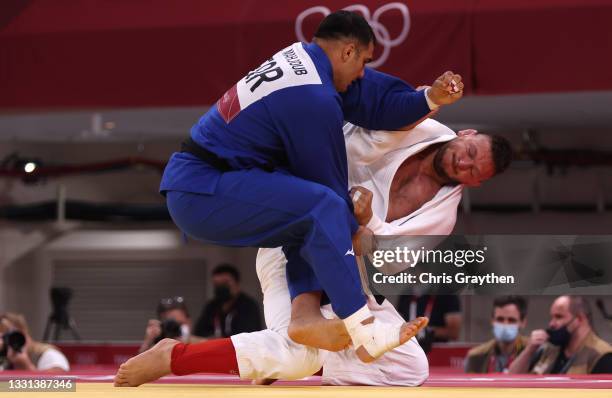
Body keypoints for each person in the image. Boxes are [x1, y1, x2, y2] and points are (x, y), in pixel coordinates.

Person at [158, 9, 464, 363]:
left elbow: (373, 98)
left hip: (213, 179)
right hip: (202, 190)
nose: (363, 73)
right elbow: (329, 196)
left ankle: (304, 317)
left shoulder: (307, 63)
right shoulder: (312, 98)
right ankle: (365, 332)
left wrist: (428, 99)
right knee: (325, 206)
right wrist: (357, 234)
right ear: (347, 52)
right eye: (364, 61)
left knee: (312, 212)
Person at [114, 118, 512, 387]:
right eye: (472, 151)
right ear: (466, 133)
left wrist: (366, 223)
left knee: (410, 366)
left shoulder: (440, 219)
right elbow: (344, 119)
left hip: (350, 276)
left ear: (477, 184)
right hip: (293, 247)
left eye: (477, 172)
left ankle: (280, 354)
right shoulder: (414, 121)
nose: (467, 164)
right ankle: (175, 357)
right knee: (300, 356)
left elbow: (383, 261)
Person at [509, 295, 612, 374]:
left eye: (559, 317)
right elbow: (511, 379)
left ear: (580, 319)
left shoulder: (602, 355)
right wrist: (529, 350)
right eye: (552, 317)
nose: (551, 324)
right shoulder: (549, 349)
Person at [194, 264, 261, 338]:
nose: (221, 287)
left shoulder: (248, 306)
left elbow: (247, 335)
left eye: (225, 283)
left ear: (237, 284)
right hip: (215, 348)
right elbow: (199, 333)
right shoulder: (211, 306)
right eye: (217, 284)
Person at [464, 296, 529, 373]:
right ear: (492, 321)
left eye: (511, 320)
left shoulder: (534, 351)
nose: (505, 324)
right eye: (500, 319)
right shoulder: (476, 356)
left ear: (523, 322)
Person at [0, 312, 70, 372]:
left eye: (8, 336)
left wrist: (26, 367)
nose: (4, 342)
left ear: (23, 333)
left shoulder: (50, 356)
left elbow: (60, 385)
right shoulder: (4, 360)